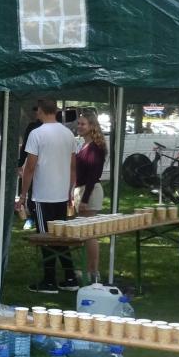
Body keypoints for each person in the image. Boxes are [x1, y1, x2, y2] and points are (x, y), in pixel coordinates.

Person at [15, 98, 78, 294]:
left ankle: (50, 281)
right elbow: (73, 166)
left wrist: (23, 194)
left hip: (43, 195)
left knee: (46, 238)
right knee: (60, 237)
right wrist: (70, 190)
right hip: (61, 193)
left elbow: (30, 167)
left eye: (37, 110)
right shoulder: (68, 133)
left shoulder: (37, 134)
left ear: (41, 111)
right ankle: (70, 277)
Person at [73, 111, 108, 284]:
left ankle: (93, 271)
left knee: (90, 233)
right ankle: (89, 269)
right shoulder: (85, 145)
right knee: (87, 233)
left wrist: (85, 199)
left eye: (83, 124)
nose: (79, 126)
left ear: (92, 126)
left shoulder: (94, 147)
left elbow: (93, 176)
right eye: (79, 123)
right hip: (83, 190)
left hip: (90, 191)